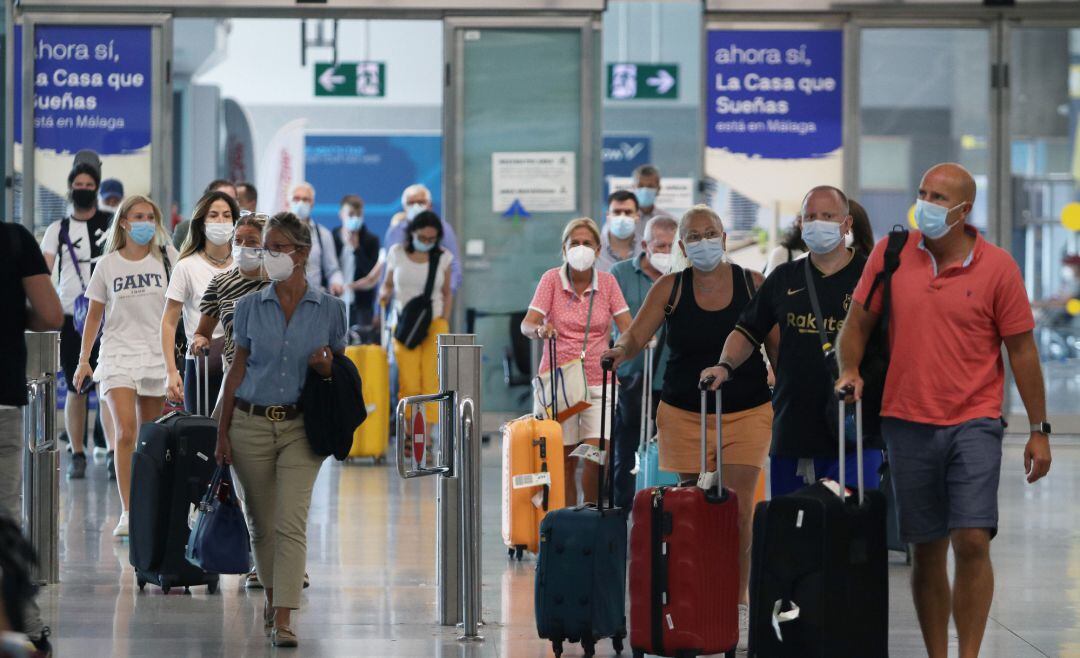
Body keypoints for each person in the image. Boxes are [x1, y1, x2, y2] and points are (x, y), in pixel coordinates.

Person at [836, 162, 1052, 658]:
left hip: (974, 420)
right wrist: (849, 370)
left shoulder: (998, 267)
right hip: (906, 421)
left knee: (972, 539)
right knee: (926, 548)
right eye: (923, 193)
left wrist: (1039, 430)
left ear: (963, 210)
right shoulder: (891, 257)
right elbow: (856, 326)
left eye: (938, 198)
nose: (926, 205)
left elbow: (1021, 350)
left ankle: (969, 654)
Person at [603, 205, 774, 650]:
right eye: (694, 235)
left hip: (746, 411)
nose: (703, 241)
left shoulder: (751, 284)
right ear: (682, 246)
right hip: (683, 412)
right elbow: (637, 334)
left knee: (737, 509)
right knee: (691, 510)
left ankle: (735, 603)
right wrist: (620, 351)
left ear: (724, 236)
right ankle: (693, 594)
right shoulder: (670, 287)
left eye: (711, 232)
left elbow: (778, 345)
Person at [216, 211, 346, 648]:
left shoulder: (331, 310)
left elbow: (340, 373)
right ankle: (272, 600)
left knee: (291, 521)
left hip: (300, 429)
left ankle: (286, 616)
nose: (267, 255)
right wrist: (220, 430)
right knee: (263, 524)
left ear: (302, 253)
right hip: (248, 423)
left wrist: (328, 369)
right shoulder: (249, 306)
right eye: (265, 247)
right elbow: (235, 370)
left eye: (276, 247)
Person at [709, 186, 883, 499]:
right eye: (810, 217)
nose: (818, 223)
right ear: (801, 225)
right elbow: (747, 329)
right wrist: (725, 365)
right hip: (794, 428)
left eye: (827, 216)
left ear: (846, 224)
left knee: (854, 526)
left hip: (855, 428)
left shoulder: (871, 277)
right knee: (792, 528)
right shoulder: (784, 277)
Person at [73, 195, 178, 538]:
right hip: (117, 353)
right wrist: (84, 359)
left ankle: (149, 504)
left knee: (149, 436)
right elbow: (94, 315)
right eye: (138, 216)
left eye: (150, 215)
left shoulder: (167, 259)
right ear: (123, 222)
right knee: (125, 432)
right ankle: (129, 511)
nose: (146, 221)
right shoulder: (107, 265)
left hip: (154, 354)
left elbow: (181, 305)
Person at [523, 218, 631, 506]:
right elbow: (527, 323)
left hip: (600, 384)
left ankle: (591, 516)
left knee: (596, 457)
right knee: (564, 460)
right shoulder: (550, 280)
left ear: (598, 250)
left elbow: (628, 328)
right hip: (559, 385)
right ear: (564, 249)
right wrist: (540, 330)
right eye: (575, 243)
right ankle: (567, 523)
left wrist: (620, 349)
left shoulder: (608, 283)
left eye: (587, 243)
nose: (581, 248)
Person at [0, 221, 63, 657]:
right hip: (1, 399)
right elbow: (51, 314)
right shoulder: (12, 239)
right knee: (2, 524)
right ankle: (27, 628)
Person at [39, 163, 115, 479]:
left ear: (96, 188)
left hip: (109, 316)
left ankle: (114, 451)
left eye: (88, 184)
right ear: (71, 188)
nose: (83, 188)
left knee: (110, 385)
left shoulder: (111, 223)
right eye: (78, 183)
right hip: (72, 317)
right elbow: (43, 271)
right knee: (76, 387)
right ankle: (78, 452)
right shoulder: (58, 229)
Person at [608, 214, 678, 510]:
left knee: (673, 450)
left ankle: (665, 512)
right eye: (660, 246)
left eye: (671, 247)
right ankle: (624, 513)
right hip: (632, 377)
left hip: (673, 376)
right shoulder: (620, 274)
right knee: (627, 451)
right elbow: (612, 323)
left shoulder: (682, 275)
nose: (665, 252)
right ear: (645, 244)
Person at [162, 191, 240, 412]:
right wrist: (170, 371)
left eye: (226, 215)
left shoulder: (245, 265)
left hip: (240, 362)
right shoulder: (186, 266)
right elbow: (168, 322)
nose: (221, 221)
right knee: (203, 438)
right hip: (201, 364)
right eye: (213, 215)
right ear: (202, 222)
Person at [379, 211, 454, 424]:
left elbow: (447, 292)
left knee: (431, 382)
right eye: (422, 238)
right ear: (412, 233)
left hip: (434, 323)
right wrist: (383, 293)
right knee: (408, 381)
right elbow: (387, 283)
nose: (427, 243)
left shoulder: (443, 257)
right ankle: (410, 433)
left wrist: (444, 321)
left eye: (432, 239)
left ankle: (427, 440)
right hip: (405, 324)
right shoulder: (397, 253)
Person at [383, 184, 462, 293]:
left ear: (429, 205)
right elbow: (387, 269)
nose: (416, 206)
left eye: (421, 202)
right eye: (410, 203)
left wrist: (446, 294)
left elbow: (454, 266)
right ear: (404, 206)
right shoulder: (395, 232)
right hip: (403, 298)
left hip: (433, 297)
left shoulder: (443, 229)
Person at [333, 195, 382, 335]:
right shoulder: (332, 237)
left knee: (361, 344)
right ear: (341, 215)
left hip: (362, 303)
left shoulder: (371, 240)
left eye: (358, 214)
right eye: (350, 214)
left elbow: (371, 272)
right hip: (335, 299)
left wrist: (357, 249)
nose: (355, 218)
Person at [288, 182, 344, 296]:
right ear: (289, 201)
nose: (300, 203)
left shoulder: (323, 235)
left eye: (305, 199)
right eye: (296, 198)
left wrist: (336, 283)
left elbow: (332, 270)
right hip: (284, 300)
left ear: (312, 203)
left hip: (314, 301)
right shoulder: (277, 232)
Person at [173, 179, 238, 250]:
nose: (227, 203)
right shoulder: (185, 229)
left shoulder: (241, 228)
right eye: (221, 198)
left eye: (232, 200)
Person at [597, 190, 643, 272]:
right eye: (617, 212)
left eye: (628, 212)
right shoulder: (595, 249)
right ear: (608, 216)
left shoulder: (646, 249)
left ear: (637, 216)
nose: (622, 217)